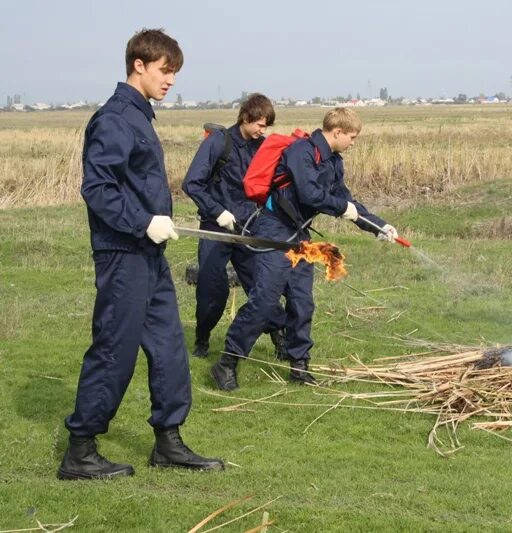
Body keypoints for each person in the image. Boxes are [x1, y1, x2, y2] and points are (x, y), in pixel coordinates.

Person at [58, 28, 223, 480]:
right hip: (123, 253)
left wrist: (155, 224)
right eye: (165, 71)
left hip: (149, 254)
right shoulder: (114, 119)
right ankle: (80, 450)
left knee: (170, 346)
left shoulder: (140, 117)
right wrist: (143, 220)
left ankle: (168, 442)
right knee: (115, 349)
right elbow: (97, 188)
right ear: (139, 65)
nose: (171, 80)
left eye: (174, 73)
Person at [210, 107, 399, 390]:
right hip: (274, 228)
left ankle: (299, 365)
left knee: (302, 302)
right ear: (337, 132)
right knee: (263, 302)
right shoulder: (302, 152)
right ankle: (227, 362)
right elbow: (310, 194)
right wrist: (341, 208)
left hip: (300, 234)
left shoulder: (334, 162)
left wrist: (378, 226)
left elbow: (345, 200)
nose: (353, 143)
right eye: (352, 137)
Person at [181, 93, 287, 360]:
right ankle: (202, 339)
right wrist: (218, 213)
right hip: (216, 229)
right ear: (245, 118)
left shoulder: (263, 148)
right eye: (260, 125)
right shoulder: (219, 143)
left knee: (262, 287)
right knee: (212, 289)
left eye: (266, 126)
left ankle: (281, 340)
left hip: (249, 228)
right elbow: (191, 183)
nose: (262, 131)